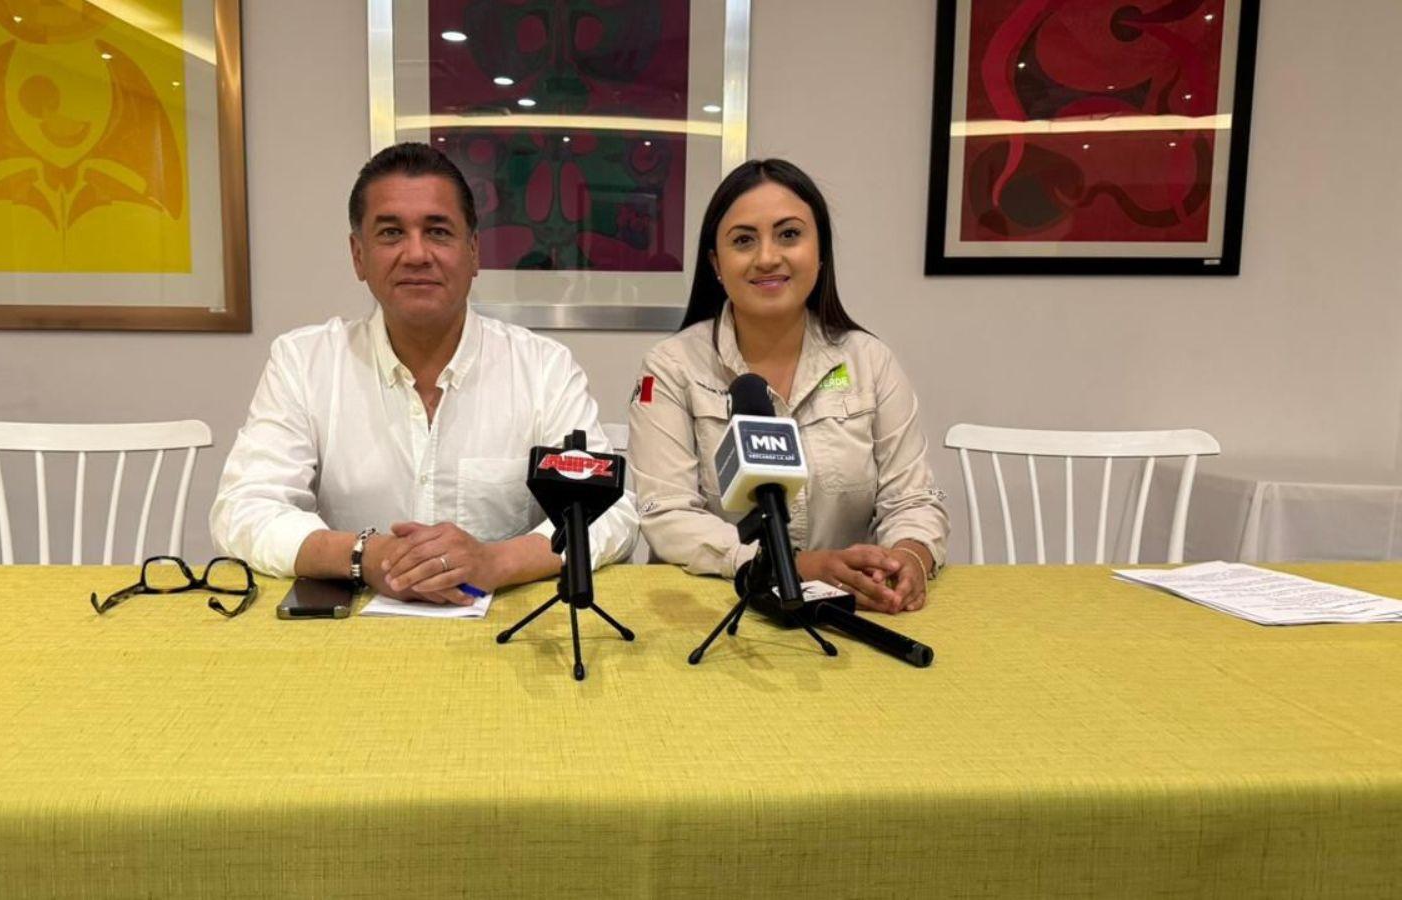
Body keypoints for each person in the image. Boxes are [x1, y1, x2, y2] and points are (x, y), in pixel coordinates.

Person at [212, 143, 636, 602]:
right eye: (391, 233)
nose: (416, 254)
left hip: (502, 625)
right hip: (352, 628)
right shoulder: (304, 362)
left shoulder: (542, 368)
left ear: (473, 252)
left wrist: (496, 562)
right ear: (358, 255)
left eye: (438, 231)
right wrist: (365, 555)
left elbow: (610, 513)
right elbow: (244, 509)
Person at [627, 159, 947, 613]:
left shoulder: (869, 361)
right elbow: (667, 515)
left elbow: (913, 498)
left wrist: (909, 556)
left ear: (820, 252)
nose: (767, 257)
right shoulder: (671, 368)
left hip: (848, 608)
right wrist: (792, 566)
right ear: (716, 263)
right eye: (743, 240)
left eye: (789, 234)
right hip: (712, 611)